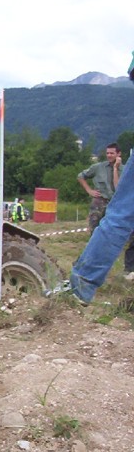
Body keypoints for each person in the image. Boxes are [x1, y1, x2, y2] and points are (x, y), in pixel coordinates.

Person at [63, 50, 134, 303]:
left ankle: (80, 286)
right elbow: (82, 176)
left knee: (118, 218)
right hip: (100, 199)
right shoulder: (100, 166)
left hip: (112, 204)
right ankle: (80, 285)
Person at [78, 143, 122, 234]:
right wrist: (89, 190)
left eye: (112, 153)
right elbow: (80, 176)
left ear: (118, 154)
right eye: (107, 153)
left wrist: (115, 168)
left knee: (114, 229)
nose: (109, 155)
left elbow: (118, 187)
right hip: (100, 200)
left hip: (116, 202)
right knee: (94, 225)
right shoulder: (98, 167)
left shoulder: (125, 169)